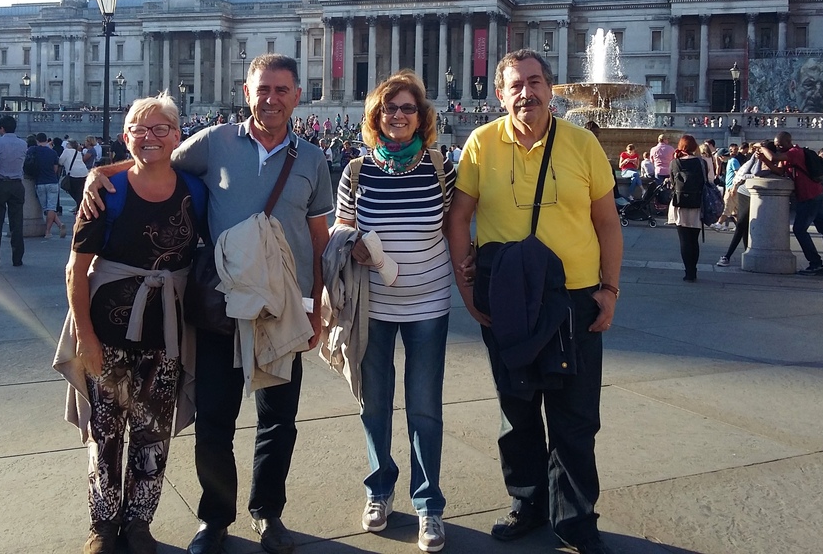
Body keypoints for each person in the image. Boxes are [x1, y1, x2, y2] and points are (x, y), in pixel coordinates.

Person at [82, 54, 333, 554]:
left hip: (283, 308)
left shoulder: (312, 159)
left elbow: (319, 239)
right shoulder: (216, 141)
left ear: (297, 96)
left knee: (278, 420)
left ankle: (269, 513)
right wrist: (101, 172)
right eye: (263, 89)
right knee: (215, 420)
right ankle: (215, 518)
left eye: (282, 90)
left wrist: (315, 306)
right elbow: (153, 158)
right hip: (222, 305)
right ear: (247, 92)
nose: (272, 98)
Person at [446, 49, 622, 554]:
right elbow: (459, 217)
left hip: (575, 297)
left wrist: (609, 289)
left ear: (551, 88)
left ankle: (576, 518)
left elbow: (607, 222)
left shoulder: (582, 143)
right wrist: (466, 285)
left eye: (536, 81)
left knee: (575, 413)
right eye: (516, 85)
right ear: (500, 95)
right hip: (510, 299)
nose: (527, 92)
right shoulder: (481, 144)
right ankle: (527, 503)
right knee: (517, 407)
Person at [57, 92, 200, 554]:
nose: (151, 136)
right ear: (126, 137)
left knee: (152, 432)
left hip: (167, 331)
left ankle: (139, 523)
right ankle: (103, 525)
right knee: (106, 431)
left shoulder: (194, 190)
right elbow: (76, 269)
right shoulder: (106, 193)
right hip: (109, 329)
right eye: (140, 129)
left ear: (178, 136)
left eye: (162, 128)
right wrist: (86, 336)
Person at [334, 71, 455, 553]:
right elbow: (341, 226)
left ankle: (429, 505)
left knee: (425, 407)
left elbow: (453, 224)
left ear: (421, 117)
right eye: (390, 109)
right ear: (376, 117)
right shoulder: (356, 171)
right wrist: (354, 244)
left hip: (429, 302)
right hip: (372, 306)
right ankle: (378, 490)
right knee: (375, 404)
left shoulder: (441, 168)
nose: (398, 116)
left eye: (407, 108)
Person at [757, 131, 823, 276]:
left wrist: (761, 146)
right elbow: (779, 170)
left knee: (799, 229)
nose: (779, 147)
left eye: (780, 144)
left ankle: (815, 263)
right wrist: (765, 160)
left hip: (809, 196)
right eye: (776, 145)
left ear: (789, 142)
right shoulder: (788, 154)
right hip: (815, 193)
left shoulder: (795, 152)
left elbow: (774, 156)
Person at [716, 147, 771, 268]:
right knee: (741, 224)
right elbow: (754, 172)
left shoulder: (774, 161)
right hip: (745, 192)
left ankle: (747, 253)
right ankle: (727, 256)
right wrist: (759, 160)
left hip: (757, 194)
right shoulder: (757, 159)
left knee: (746, 225)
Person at [0, 115, 28, 268]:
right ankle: (17, 258)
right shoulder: (23, 144)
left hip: (0, 184)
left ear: (2, 128)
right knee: (17, 223)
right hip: (17, 185)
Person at [667, 135, 713, 282]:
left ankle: (688, 272)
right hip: (697, 204)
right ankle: (694, 271)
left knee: (684, 240)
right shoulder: (702, 162)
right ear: (694, 147)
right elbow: (707, 180)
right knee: (694, 240)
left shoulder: (675, 162)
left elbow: (672, 182)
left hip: (680, 204)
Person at [28, 132, 66, 239]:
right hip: (52, 181)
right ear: (47, 140)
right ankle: (58, 225)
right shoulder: (52, 153)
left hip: (39, 182)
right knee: (51, 208)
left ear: (37, 140)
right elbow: (55, 169)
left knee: (46, 208)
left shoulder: (33, 150)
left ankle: (48, 231)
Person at [60, 139, 90, 212]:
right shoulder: (78, 152)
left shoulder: (66, 151)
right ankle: (80, 206)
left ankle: (80, 206)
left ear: (70, 145)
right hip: (84, 172)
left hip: (73, 173)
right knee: (79, 191)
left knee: (71, 189)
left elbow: (60, 161)